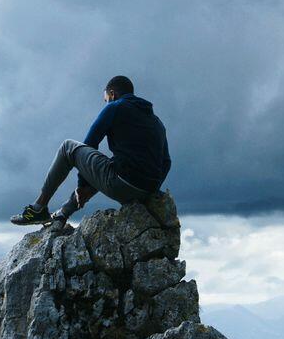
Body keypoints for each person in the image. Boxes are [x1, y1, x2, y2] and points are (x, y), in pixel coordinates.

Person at [11, 75, 171, 227]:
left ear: (112, 94)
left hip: (122, 186)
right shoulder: (157, 122)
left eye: (106, 99)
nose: (106, 103)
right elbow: (166, 163)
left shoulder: (115, 107)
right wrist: (150, 190)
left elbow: (90, 143)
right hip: (148, 192)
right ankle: (62, 213)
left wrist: (82, 185)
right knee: (110, 165)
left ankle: (38, 208)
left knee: (68, 147)